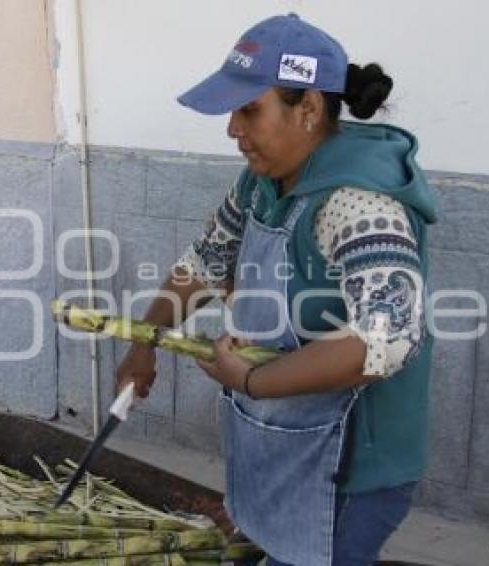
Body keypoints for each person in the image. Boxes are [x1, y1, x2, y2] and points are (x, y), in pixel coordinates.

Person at [115, 13, 438, 566]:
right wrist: (145, 342)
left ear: (308, 109)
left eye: (249, 110)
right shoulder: (261, 181)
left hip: (352, 466)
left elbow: (389, 338)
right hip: (287, 440)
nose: (232, 130)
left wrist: (255, 379)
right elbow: (205, 261)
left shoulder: (359, 204)